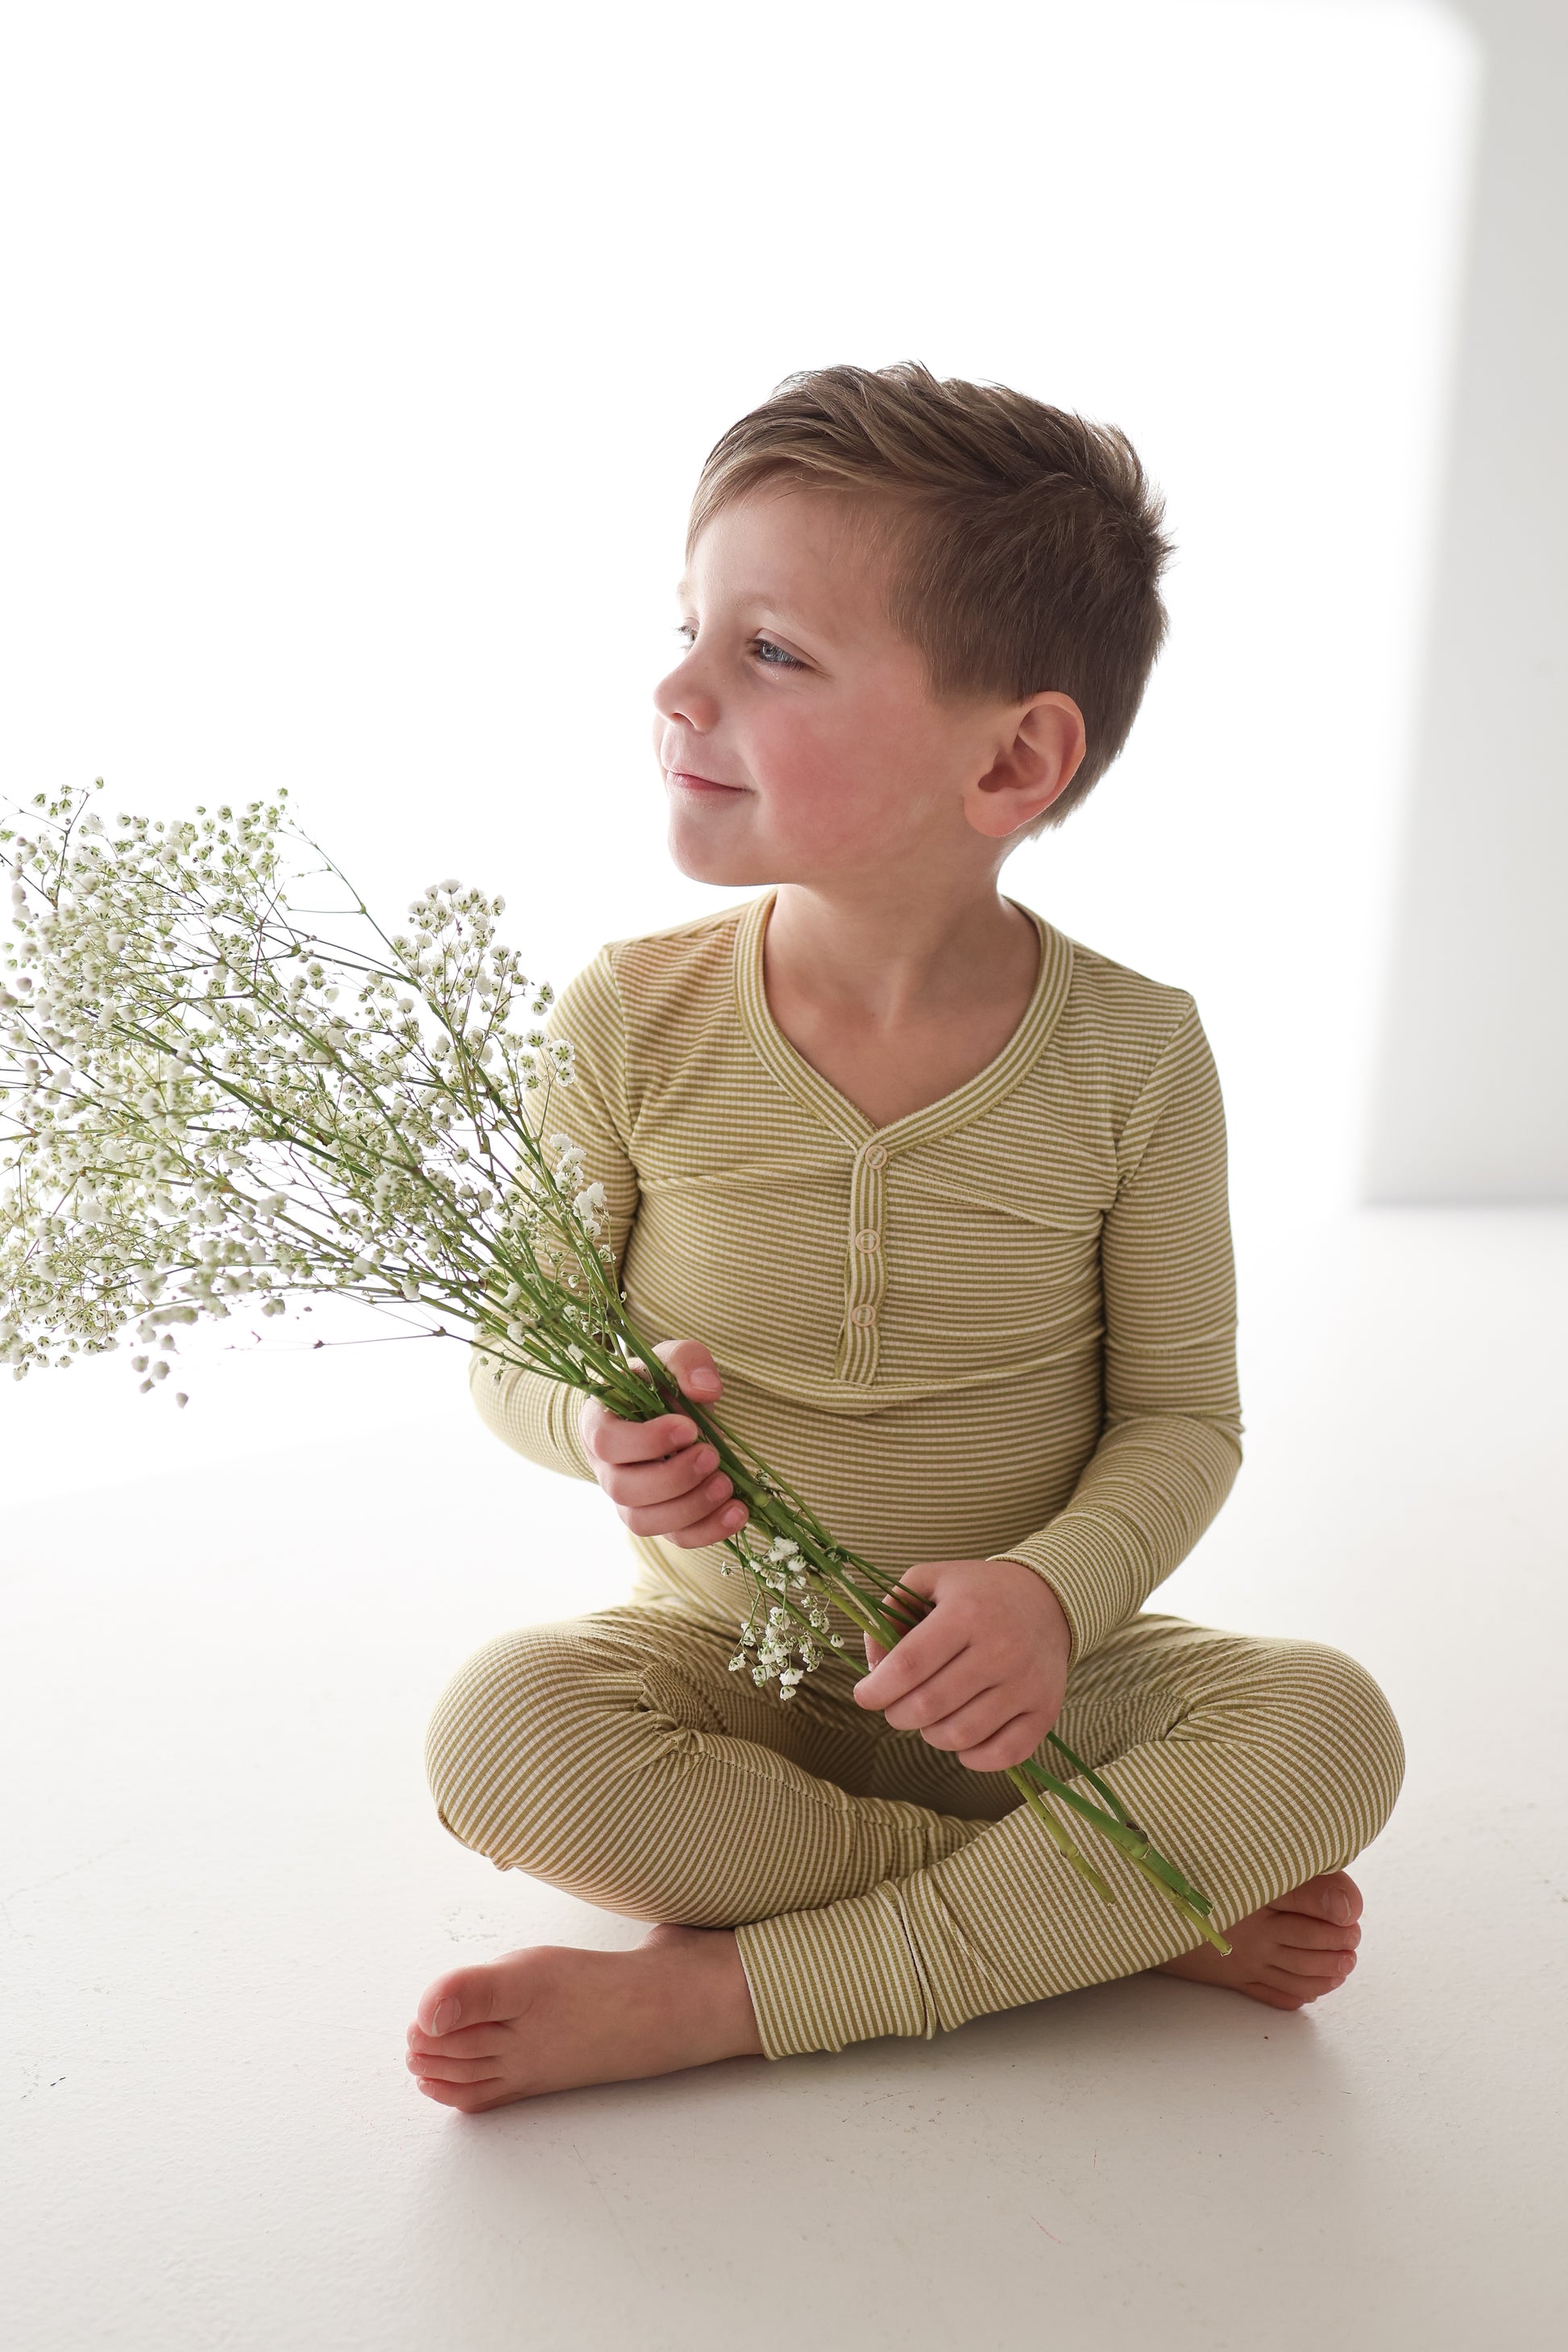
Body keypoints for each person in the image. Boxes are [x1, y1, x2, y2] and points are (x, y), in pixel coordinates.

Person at [406, 363, 1404, 2110]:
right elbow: (517, 1341)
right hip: (730, 1673)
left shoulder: (1133, 1051)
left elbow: (1183, 1418)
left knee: (1329, 1726)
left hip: (1040, 1684)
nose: (676, 688)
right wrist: (593, 1415)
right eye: (688, 629)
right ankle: (1113, 1911)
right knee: (500, 1730)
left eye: (770, 652)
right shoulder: (631, 1016)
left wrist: (1046, 1594)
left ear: (1011, 756)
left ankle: (729, 1996)